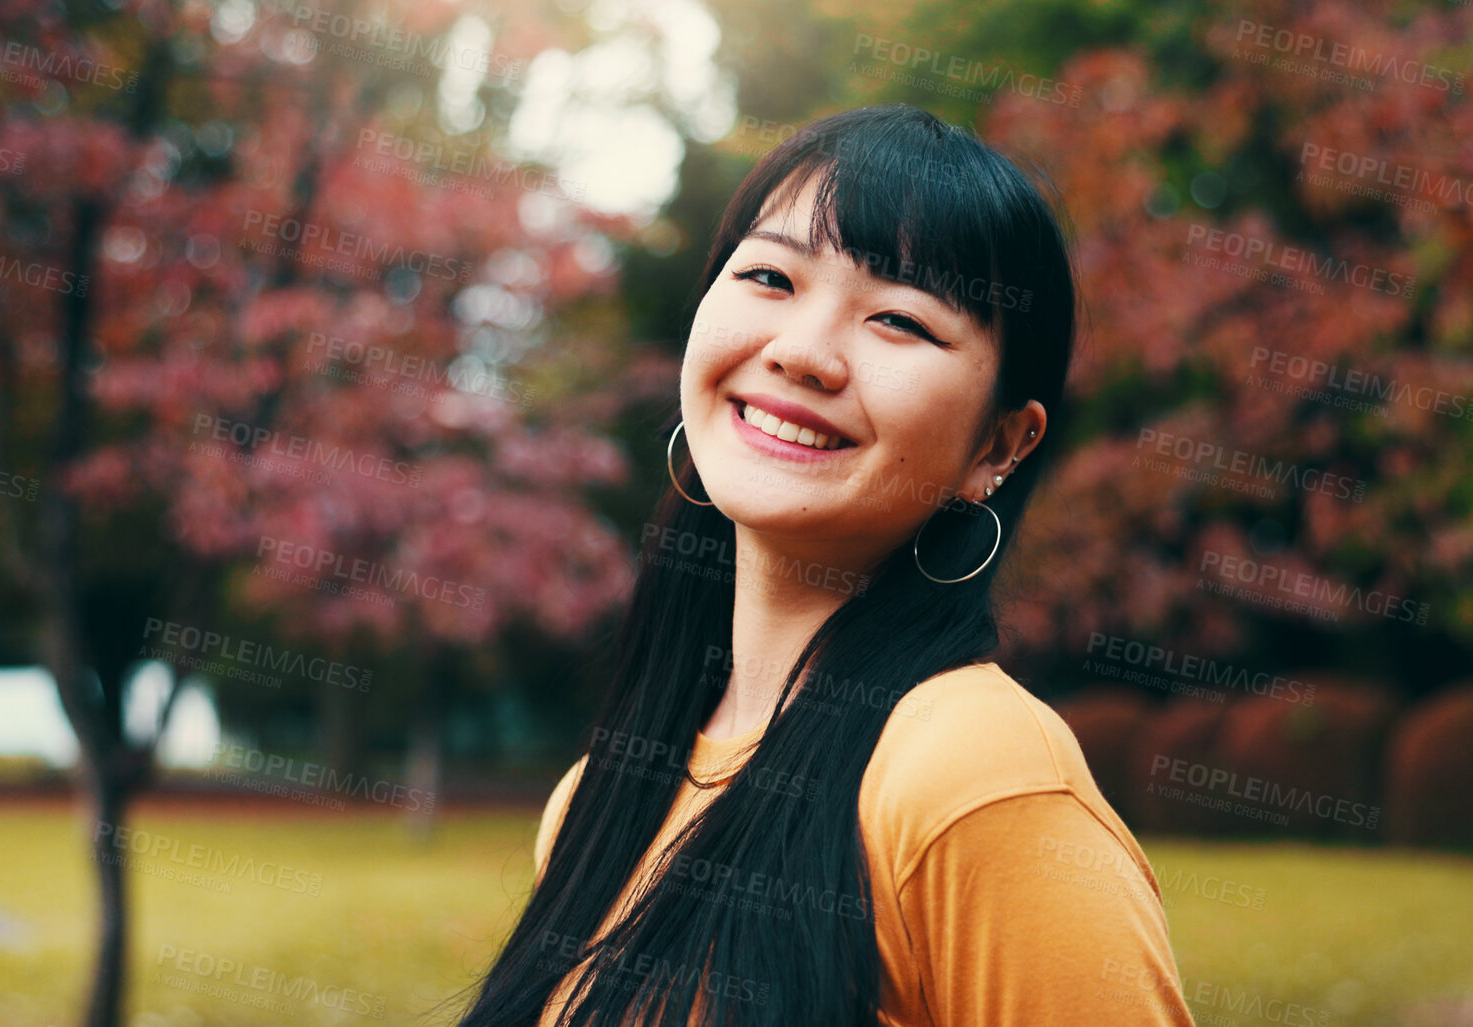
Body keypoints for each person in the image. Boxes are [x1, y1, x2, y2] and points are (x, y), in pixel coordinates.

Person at [456, 103, 1197, 1027]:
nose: (801, 353)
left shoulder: (977, 776)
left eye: (898, 319)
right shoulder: (592, 801)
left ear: (999, 445)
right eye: (769, 275)